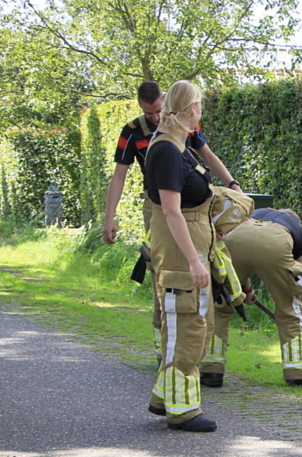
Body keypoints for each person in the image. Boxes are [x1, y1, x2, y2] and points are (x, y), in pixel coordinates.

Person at [102, 80, 242, 357]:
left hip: (194, 209)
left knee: (202, 271)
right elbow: (119, 176)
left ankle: (197, 352)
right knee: (166, 274)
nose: (154, 118)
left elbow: (207, 155)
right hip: (162, 205)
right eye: (148, 113)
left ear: (166, 102)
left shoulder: (187, 127)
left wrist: (232, 183)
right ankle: (166, 349)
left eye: (158, 111)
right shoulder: (135, 133)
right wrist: (110, 217)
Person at [144, 80, 223, 432]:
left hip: (189, 245)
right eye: (200, 107)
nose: (200, 113)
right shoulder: (167, 151)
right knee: (187, 326)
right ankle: (183, 411)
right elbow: (172, 212)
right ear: (191, 109)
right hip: (179, 252)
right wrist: (193, 261)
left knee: (192, 324)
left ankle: (165, 397)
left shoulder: (179, 145)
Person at [200, 208, 302, 387]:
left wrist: (247, 290)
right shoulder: (296, 232)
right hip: (275, 244)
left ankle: (211, 371)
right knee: (290, 310)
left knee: (220, 308)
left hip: (236, 239)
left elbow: (245, 259)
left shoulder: (255, 213)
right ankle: (297, 375)